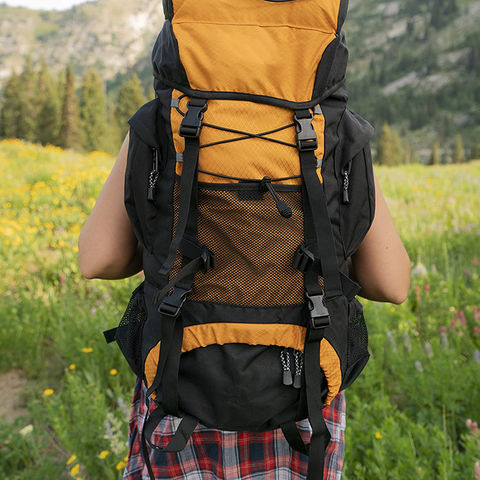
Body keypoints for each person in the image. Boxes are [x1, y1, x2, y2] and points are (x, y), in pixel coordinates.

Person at [78, 131, 411, 479]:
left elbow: (97, 261)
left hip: (179, 380)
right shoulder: (333, 125)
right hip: (303, 388)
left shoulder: (165, 117)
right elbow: (392, 284)